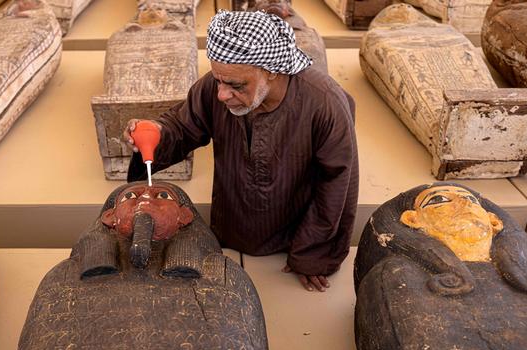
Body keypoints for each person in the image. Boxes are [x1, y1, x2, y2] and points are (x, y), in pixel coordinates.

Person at [124, 10, 358, 292]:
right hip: (232, 224)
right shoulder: (216, 86)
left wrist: (312, 254)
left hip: (291, 236)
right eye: (218, 80)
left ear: (271, 70)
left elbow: (336, 186)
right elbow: (184, 126)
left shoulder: (325, 104)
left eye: (235, 85)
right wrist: (157, 132)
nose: (221, 94)